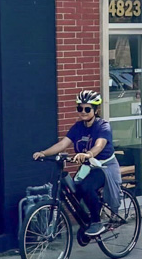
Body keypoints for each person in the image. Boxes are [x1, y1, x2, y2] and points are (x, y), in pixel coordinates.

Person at [33, 90, 122, 236]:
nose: (83, 112)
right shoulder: (78, 127)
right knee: (75, 190)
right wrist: (43, 153)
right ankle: (86, 221)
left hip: (104, 166)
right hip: (89, 167)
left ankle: (96, 222)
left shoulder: (103, 126)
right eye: (80, 108)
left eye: (87, 109)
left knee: (87, 187)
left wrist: (88, 154)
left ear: (96, 110)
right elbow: (63, 144)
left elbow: (99, 145)